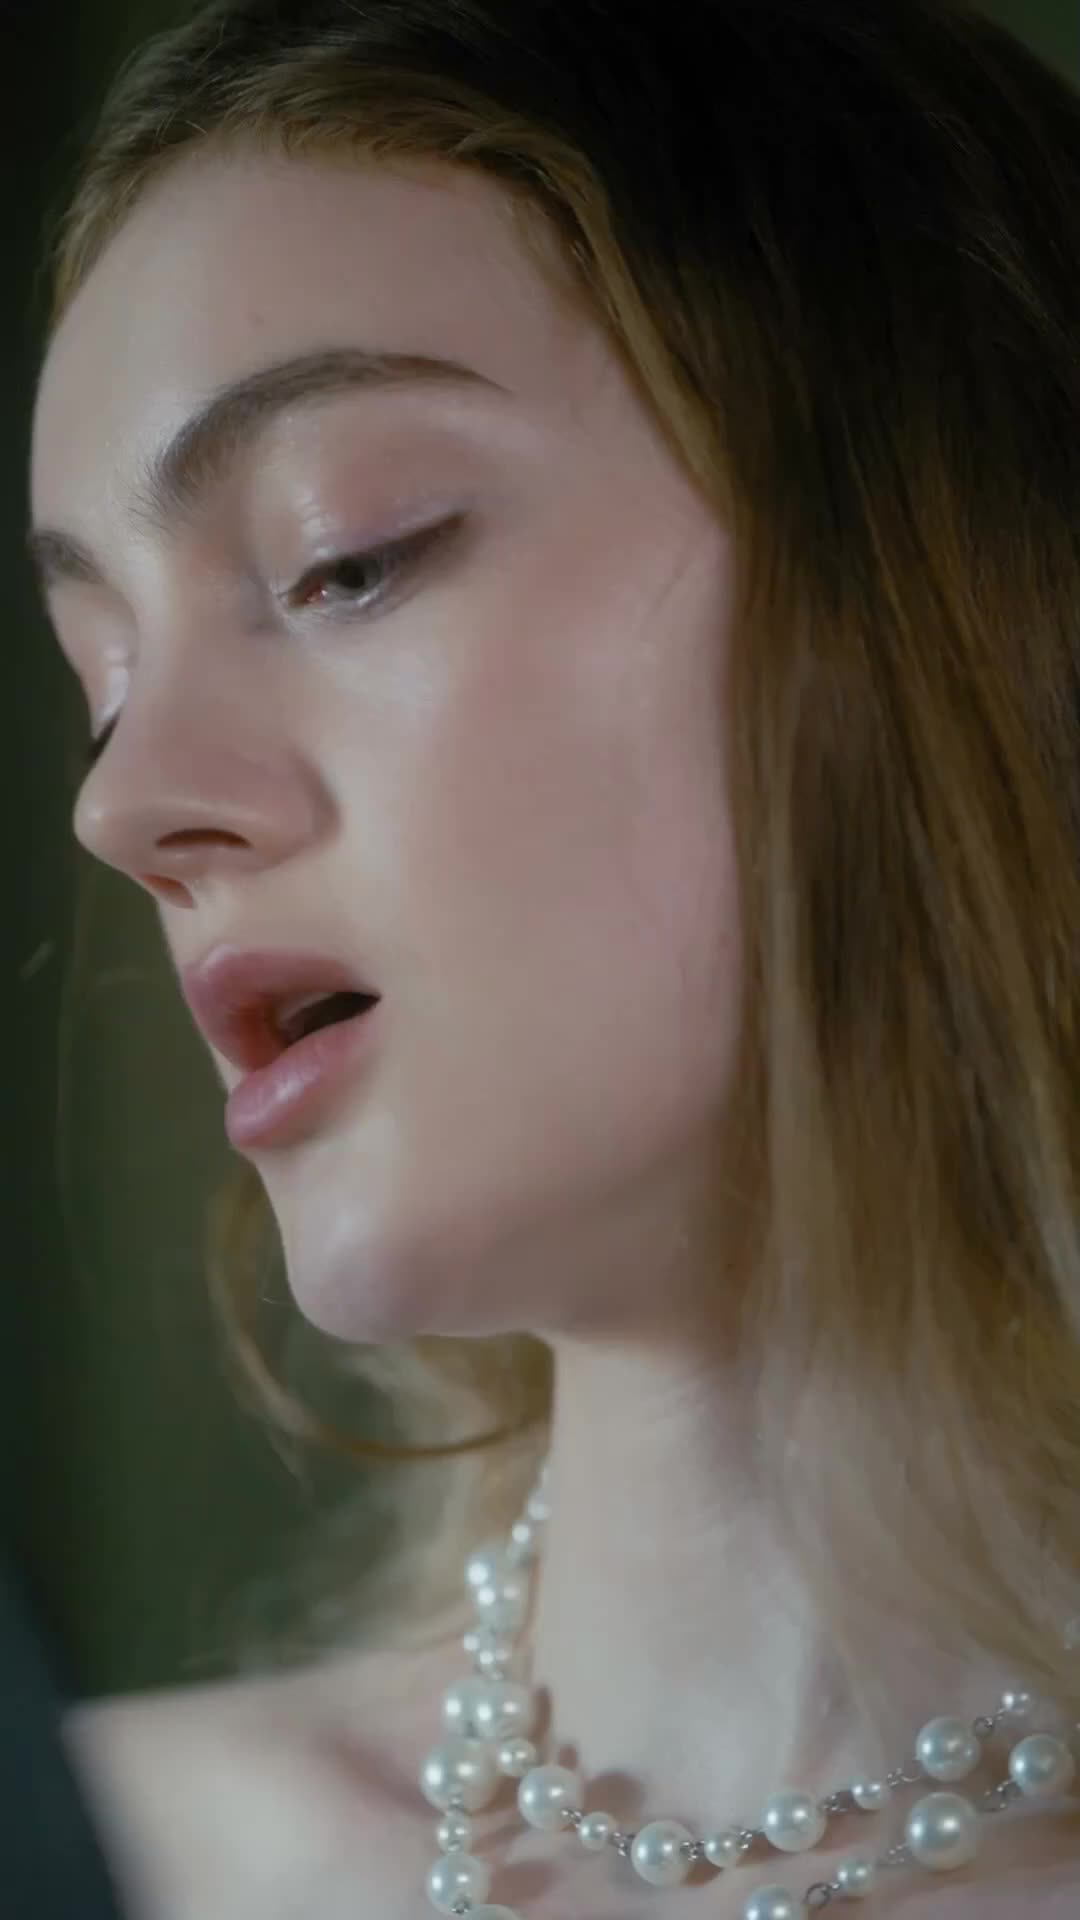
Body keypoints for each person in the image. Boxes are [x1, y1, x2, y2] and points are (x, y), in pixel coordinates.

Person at [24, 1, 1080, 1915]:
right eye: (102, 682)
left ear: (942, 569)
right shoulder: (93, 1858)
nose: (127, 799)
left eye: (347, 558)